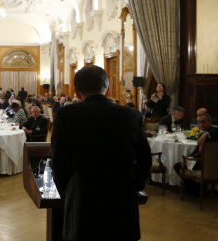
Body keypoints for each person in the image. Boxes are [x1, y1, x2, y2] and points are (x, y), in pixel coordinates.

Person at [51, 65, 151, 241]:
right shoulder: (131, 115)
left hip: (82, 197)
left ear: (76, 92)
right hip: (122, 196)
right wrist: (134, 186)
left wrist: (68, 192)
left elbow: (59, 161)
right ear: (108, 89)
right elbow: (144, 159)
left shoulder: (66, 115)